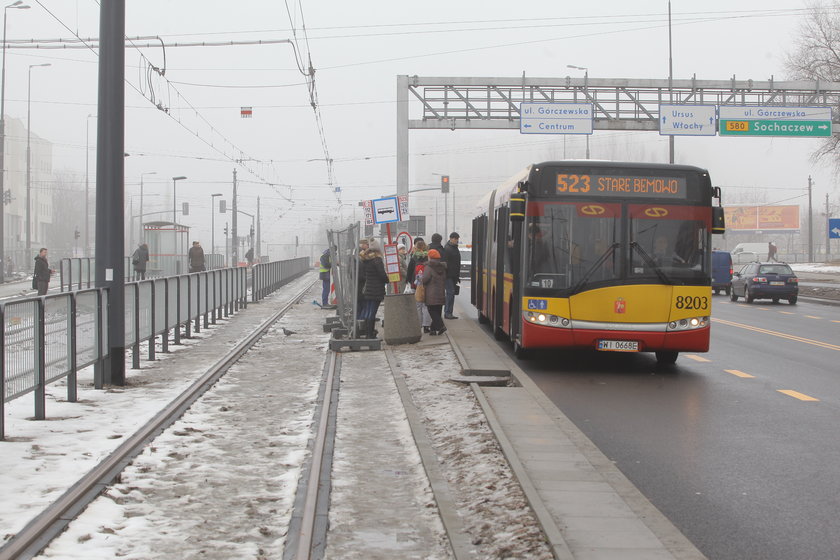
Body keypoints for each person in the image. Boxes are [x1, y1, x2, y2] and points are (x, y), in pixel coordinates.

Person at [359, 239, 388, 338]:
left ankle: (368, 333)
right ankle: (370, 334)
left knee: (368, 311)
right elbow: (382, 275)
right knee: (372, 312)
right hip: (376, 290)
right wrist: (387, 279)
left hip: (368, 289)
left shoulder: (366, 260)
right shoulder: (377, 260)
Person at [408, 240, 432, 333]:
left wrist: (409, 281)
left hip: (416, 284)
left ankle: (418, 325)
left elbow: (410, 270)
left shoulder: (414, 257)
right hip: (426, 283)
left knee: (418, 305)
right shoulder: (428, 257)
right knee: (426, 305)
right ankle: (426, 326)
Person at [422, 248, 447, 335]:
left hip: (431, 293)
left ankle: (441, 326)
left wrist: (420, 278)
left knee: (432, 311)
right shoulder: (442, 267)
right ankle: (433, 330)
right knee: (437, 311)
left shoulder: (428, 267)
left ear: (430, 257)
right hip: (440, 292)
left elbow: (425, 279)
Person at [442, 232, 461, 319]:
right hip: (448, 275)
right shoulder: (447, 248)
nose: (457, 240)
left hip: (453, 276)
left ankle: (450, 312)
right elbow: (445, 263)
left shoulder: (454, 248)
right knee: (450, 293)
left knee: (452, 293)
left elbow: (456, 263)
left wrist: (457, 276)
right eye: (456, 239)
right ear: (451, 238)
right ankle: (447, 313)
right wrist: (446, 274)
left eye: (457, 239)